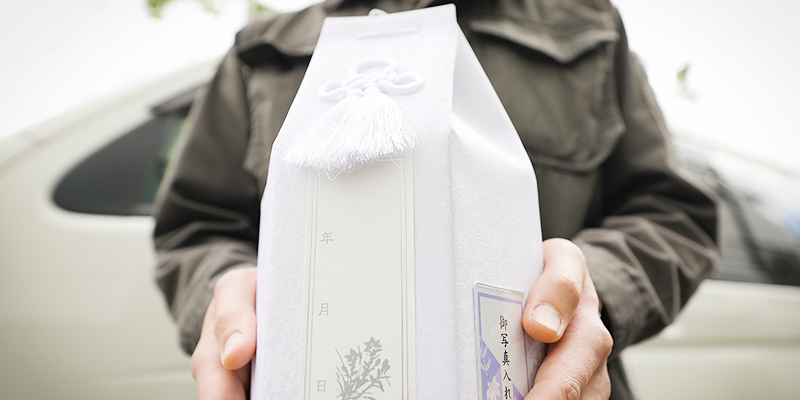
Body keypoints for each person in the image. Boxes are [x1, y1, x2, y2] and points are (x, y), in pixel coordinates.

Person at [153, 0, 720, 399]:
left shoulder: (590, 27)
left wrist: (585, 295)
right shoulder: (261, 54)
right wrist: (228, 298)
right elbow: (195, 227)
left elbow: (673, 215)